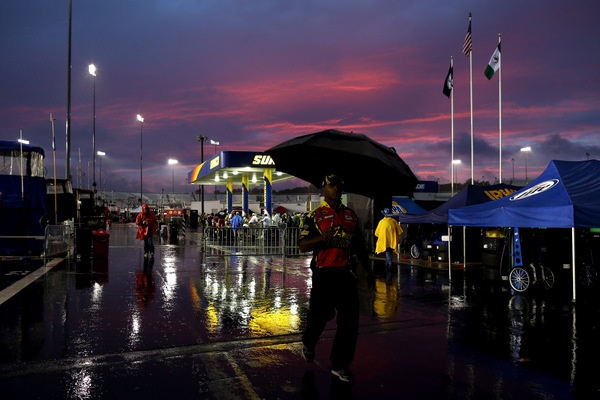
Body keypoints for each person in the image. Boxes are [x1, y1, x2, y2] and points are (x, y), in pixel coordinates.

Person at [298, 173, 374, 384]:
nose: (336, 189)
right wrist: (322, 238)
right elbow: (303, 245)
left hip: (345, 275)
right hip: (323, 275)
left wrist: (369, 272)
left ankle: (340, 365)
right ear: (323, 189)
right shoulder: (313, 215)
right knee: (321, 316)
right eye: (332, 186)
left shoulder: (350, 215)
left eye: (339, 186)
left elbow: (359, 246)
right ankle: (309, 341)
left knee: (349, 322)